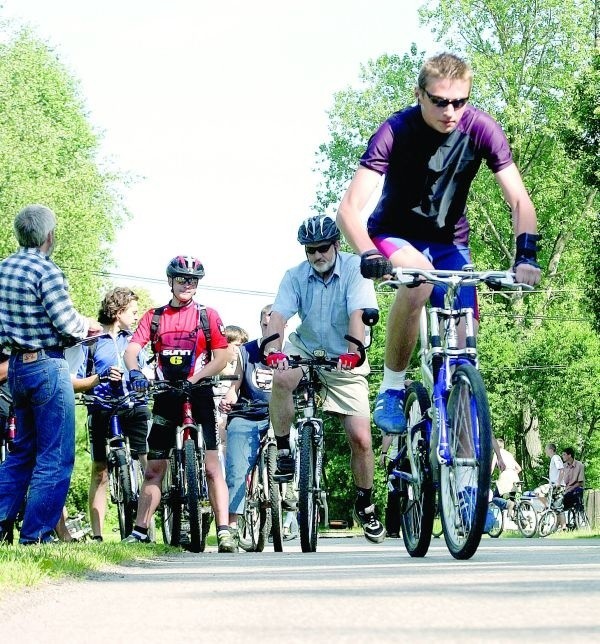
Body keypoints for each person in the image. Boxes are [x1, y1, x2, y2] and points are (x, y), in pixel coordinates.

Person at [336, 52, 542, 435]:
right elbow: (349, 209)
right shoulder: (396, 130)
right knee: (420, 279)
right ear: (419, 94)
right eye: (440, 101)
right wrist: (367, 252)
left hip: (451, 242)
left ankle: (466, 478)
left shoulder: (481, 128)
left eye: (460, 102)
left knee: (466, 354)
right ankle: (392, 389)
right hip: (395, 234)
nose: (451, 111)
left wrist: (525, 256)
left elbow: (519, 200)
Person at [264, 215, 385, 543]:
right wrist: (273, 349)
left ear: (337, 245)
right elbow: (278, 316)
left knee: (360, 438)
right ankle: (285, 448)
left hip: (345, 355)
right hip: (306, 347)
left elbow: (359, 314)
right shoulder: (294, 276)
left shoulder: (355, 269)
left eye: (323, 249)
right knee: (281, 378)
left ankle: (365, 503)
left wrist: (353, 351)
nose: (318, 256)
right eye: (311, 250)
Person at [0, 204, 102, 545]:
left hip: (16, 367)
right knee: (54, 455)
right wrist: (88, 326)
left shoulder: (3, 269)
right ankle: (37, 535)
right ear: (49, 236)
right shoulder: (47, 271)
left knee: (21, 452)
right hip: (47, 365)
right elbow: (67, 324)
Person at [122, 256, 237, 552]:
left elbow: (221, 356)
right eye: (182, 279)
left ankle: (224, 531)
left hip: (198, 393)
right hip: (165, 394)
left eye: (193, 280)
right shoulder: (155, 316)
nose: (187, 284)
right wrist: (135, 370)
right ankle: (140, 530)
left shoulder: (206, 315)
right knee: (154, 468)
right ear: (170, 281)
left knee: (213, 467)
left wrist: (197, 377)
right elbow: (133, 348)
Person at [71, 287, 151, 542]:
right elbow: (74, 379)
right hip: (102, 406)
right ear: (118, 312)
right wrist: (98, 379)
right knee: (100, 469)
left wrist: (144, 379)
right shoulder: (91, 342)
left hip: (134, 403)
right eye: (133, 312)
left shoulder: (135, 340)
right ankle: (97, 535)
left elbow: (148, 368)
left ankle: (144, 527)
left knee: (148, 462)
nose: (137, 317)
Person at [219, 305, 274, 531]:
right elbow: (236, 385)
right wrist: (228, 399)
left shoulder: (293, 350)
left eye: (274, 319)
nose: (269, 324)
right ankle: (231, 525)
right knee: (236, 465)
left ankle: (287, 492)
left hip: (279, 414)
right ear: (260, 323)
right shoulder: (246, 351)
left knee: (291, 442)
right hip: (248, 412)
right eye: (265, 321)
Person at [490, 439, 522, 517]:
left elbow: (492, 468)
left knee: (495, 498)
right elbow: (519, 468)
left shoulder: (497, 454)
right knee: (515, 499)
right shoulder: (509, 454)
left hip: (505, 477)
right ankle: (522, 520)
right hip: (515, 477)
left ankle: (508, 504)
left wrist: (487, 477)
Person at [557, 447, 585, 529]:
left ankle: (564, 525)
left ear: (569, 455)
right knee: (555, 501)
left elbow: (580, 482)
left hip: (575, 490)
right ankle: (559, 524)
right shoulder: (563, 466)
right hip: (565, 490)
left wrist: (569, 490)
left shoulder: (580, 466)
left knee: (562, 501)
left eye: (564, 454)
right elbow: (561, 481)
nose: (562, 456)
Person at [535, 443, 564, 508]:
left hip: (556, 485)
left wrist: (558, 483)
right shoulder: (553, 458)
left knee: (537, 491)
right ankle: (547, 508)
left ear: (551, 450)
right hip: (553, 485)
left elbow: (562, 470)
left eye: (546, 449)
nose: (545, 451)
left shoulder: (555, 457)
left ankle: (547, 507)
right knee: (556, 509)